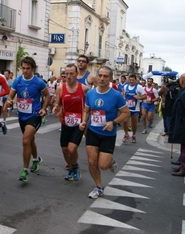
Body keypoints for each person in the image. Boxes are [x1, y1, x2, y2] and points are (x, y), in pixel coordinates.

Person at [79, 66, 130, 199]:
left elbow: (126, 113)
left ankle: (110, 161)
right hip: (92, 131)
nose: (102, 78)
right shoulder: (90, 93)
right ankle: (99, 187)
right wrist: (84, 122)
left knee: (103, 165)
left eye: (105, 76)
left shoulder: (116, 95)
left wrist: (113, 122)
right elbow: (86, 110)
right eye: (100, 75)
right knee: (91, 161)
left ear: (110, 79)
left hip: (108, 134)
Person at [4, 56, 50, 182]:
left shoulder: (39, 82)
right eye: (23, 68)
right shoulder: (17, 81)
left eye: (28, 68)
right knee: (30, 141)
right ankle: (36, 159)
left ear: (33, 69)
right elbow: (10, 96)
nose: (25, 71)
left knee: (25, 141)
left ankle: (24, 170)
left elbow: (47, 95)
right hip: (22, 116)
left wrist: (44, 108)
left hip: (35, 115)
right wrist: (8, 102)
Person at [53, 64, 90, 181]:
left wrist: (85, 121)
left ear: (76, 74)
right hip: (66, 122)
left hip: (78, 124)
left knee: (72, 149)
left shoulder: (84, 88)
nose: (68, 76)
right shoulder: (60, 88)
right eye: (66, 74)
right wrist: (55, 107)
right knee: (64, 149)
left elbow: (88, 107)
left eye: (71, 74)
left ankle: (75, 167)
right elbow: (57, 103)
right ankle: (71, 167)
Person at [122, 74, 146, 143]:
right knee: (125, 121)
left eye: (133, 80)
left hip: (135, 108)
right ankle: (126, 134)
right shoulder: (126, 86)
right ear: (128, 80)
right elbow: (123, 95)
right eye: (130, 80)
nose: (131, 81)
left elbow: (145, 96)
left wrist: (139, 97)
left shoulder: (139, 87)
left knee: (134, 123)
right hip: (127, 108)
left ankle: (133, 135)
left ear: (136, 80)